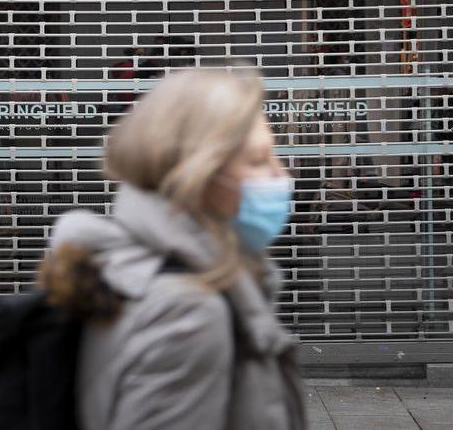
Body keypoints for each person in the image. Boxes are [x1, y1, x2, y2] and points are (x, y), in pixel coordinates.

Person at [39, 67, 306, 430]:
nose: (282, 176)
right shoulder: (188, 312)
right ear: (196, 173)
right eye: (258, 161)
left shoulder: (121, 268)